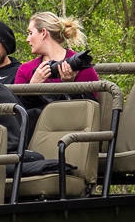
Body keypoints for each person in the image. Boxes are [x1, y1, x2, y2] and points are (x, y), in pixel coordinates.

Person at [13, 12, 98, 141]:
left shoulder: (79, 63)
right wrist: (32, 87)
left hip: (72, 134)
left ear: (43, 33)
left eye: (30, 33)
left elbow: (91, 110)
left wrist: (71, 86)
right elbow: (17, 113)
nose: (27, 39)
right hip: (33, 139)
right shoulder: (26, 70)